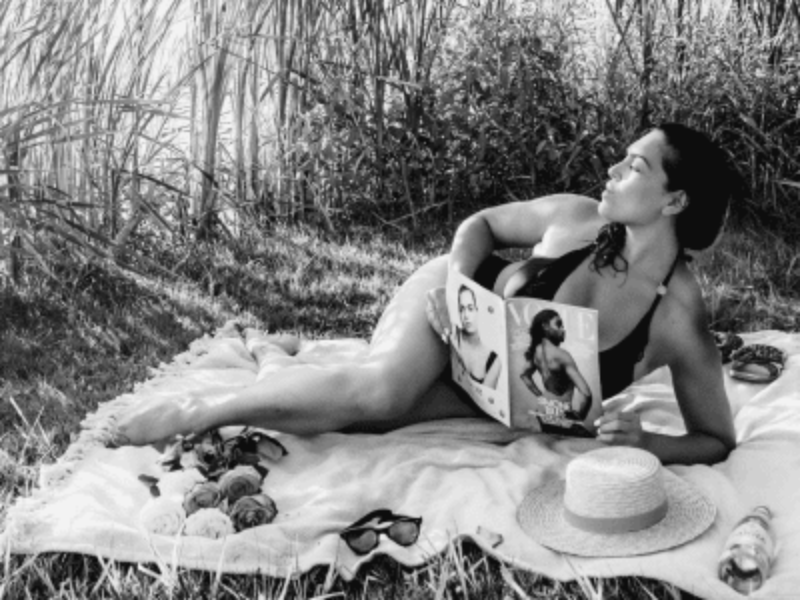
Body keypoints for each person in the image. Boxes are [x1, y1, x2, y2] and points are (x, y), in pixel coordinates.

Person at [113, 123, 738, 465]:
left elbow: (715, 438)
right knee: (382, 390)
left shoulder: (679, 317)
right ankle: (197, 413)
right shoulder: (575, 216)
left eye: (633, 166)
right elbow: (481, 226)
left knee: (367, 421)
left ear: (674, 201)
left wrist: (649, 443)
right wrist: (461, 289)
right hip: (448, 307)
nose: (611, 170)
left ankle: (282, 361)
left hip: (492, 392)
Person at [520, 308, 592, 421]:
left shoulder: (536, 352)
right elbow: (586, 394)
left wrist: (540, 396)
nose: (563, 329)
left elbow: (524, 375)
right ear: (545, 326)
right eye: (558, 325)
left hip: (542, 412)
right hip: (560, 417)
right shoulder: (562, 355)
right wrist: (579, 418)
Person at [453, 285, 502, 390]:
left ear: (478, 310)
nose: (466, 315)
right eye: (462, 309)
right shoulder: (454, 334)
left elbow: (487, 401)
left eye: (470, 308)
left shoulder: (494, 360)